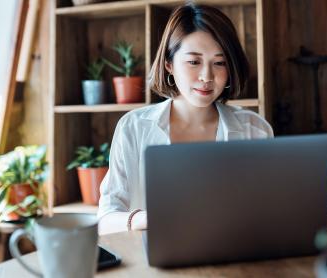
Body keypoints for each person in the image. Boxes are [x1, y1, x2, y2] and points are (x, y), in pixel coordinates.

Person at [97, 3, 273, 234]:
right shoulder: (134, 127)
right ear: (169, 64)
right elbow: (105, 218)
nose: (207, 76)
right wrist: (146, 219)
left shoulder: (255, 129)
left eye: (219, 63)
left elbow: (268, 212)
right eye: (193, 61)